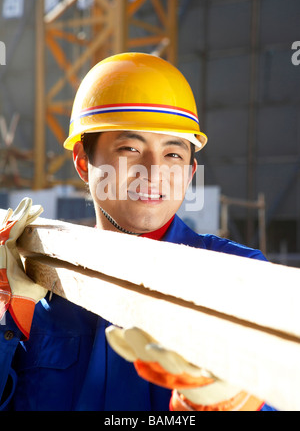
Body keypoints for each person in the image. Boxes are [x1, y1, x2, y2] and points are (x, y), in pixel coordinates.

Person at [0, 52, 275, 411]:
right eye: (130, 148)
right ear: (84, 162)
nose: (153, 170)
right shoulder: (40, 287)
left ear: (190, 173)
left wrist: (242, 405)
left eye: (173, 154)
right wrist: (7, 315)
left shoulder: (241, 277)